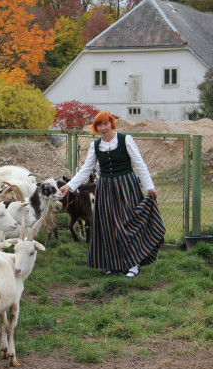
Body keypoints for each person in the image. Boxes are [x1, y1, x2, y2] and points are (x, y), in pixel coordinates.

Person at [60, 111, 165, 278]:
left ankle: (132, 264)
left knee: (127, 224)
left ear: (111, 124)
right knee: (107, 226)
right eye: (99, 125)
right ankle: (113, 264)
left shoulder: (125, 139)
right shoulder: (96, 146)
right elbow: (86, 169)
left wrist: (149, 187)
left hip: (126, 186)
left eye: (105, 124)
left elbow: (140, 164)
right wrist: (69, 186)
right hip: (106, 188)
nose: (103, 128)